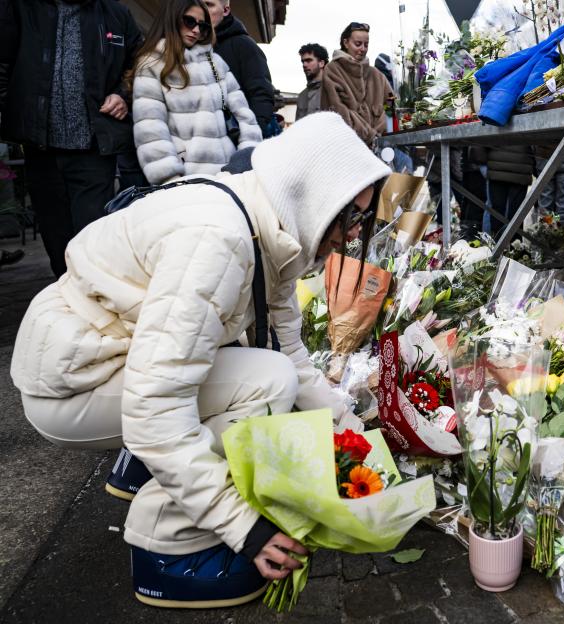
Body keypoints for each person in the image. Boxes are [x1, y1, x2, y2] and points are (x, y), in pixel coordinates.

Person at [10, 112, 391, 607]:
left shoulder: (266, 219)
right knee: (265, 384)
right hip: (74, 384)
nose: (350, 234)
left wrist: (350, 431)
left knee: (265, 369)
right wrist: (245, 528)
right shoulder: (221, 241)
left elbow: (291, 349)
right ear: (311, 193)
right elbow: (155, 410)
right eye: (351, 215)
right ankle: (165, 546)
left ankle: (143, 471)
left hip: (100, 353)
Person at [0, 0, 143, 277]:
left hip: (93, 150)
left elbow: (141, 65)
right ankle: (70, 307)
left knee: (92, 243)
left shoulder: (116, 14)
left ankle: (93, 306)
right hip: (41, 149)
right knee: (57, 244)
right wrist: (17, 112)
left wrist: (123, 94)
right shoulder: (21, 8)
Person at [132, 0, 261, 185]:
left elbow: (246, 118)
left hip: (231, 179)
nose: (196, 30)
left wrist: (242, 164)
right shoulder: (153, 64)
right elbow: (150, 131)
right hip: (186, 180)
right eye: (189, 21)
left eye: (202, 25)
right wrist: (170, 179)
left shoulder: (216, 62)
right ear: (173, 19)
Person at [202, 0, 278, 138]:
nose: (203, 10)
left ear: (225, 10)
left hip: (236, 139)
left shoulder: (244, 45)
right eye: (200, 4)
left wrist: (250, 135)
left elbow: (261, 94)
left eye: (209, 4)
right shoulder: (194, 45)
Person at [321, 22, 392, 145]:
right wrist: (370, 135)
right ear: (345, 42)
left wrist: (379, 131)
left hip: (379, 149)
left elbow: (391, 105)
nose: (363, 49)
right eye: (358, 44)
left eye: (366, 44)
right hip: (347, 148)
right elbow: (338, 111)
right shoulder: (332, 70)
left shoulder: (377, 75)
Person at [486, 145, 535, 239]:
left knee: (497, 212)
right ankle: (515, 249)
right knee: (516, 214)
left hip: (496, 163)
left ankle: (495, 247)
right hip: (521, 164)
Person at [296, 43, 328, 121]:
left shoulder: (332, 90)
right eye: (302, 61)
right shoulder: (302, 96)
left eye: (309, 60)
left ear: (321, 63)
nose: (304, 64)